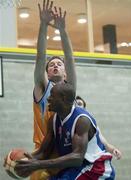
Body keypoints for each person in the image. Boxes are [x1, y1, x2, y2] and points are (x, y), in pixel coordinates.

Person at [15, 83, 115, 180]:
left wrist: (38, 165)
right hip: (74, 169)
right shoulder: (53, 120)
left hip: (96, 168)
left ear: (63, 99)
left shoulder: (81, 120)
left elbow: (77, 158)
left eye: (52, 96)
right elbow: (43, 152)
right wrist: (21, 162)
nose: (48, 98)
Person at [32, 0, 76, 179]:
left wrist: (63, 31)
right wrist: (43, 25)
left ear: (65, 73)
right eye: (51, 66)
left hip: (65, 155)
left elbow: (70, 58)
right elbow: (40, 57)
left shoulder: (70, 89)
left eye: (59, 64)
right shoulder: (43, 88)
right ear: (47, 73)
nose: (55, 66)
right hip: (42, 155)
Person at [76, 95, 122, 160]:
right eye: (75, 104)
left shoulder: (90, 122)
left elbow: (103, 141)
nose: (77, 106)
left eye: (79, 104)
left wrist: (113, 150)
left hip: (95, 159)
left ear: (84, 109)